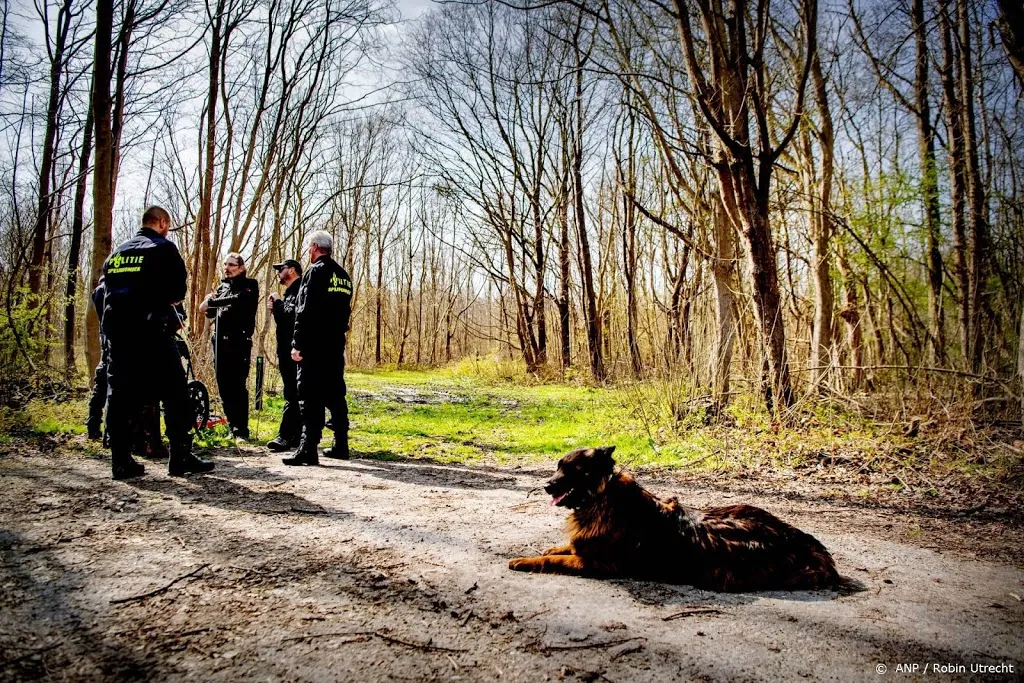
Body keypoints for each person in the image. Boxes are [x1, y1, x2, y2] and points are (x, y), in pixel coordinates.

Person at [101, 205, 214, 479]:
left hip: (118, 334)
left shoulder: (116, 254)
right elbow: (177, 292)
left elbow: (105, 293)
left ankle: (120, 461)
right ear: (162, 223)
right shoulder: (163, 249)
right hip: (152, 332)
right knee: (176, 394)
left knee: (120, 396)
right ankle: (180, 456)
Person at [283, 231, 352, 466]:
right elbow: (345, 314)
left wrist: (297, 344)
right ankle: (341, 444)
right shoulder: (343, 276)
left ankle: (308, 448)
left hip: (314, 346)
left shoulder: (315, 272)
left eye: (309, 248)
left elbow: (304, 311)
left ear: (314, 247)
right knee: (335, 394)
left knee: (309, 396)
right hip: (334, 346)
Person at [86, 279, 166, 459]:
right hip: (121, 349)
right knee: (125, 395)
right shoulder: (115, 292)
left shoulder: (101, 293)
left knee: (109, 393)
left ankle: (106, 435)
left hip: (110, 347)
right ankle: (139, 442)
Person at [200, 253, 258, 440]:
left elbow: (238, 299)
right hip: (220, 342)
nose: (227, 268)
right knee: (224, 386)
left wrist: (211, 302)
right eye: (225, 264)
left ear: (241, 267)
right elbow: (209, 314)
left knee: (237, 386)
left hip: (239, 342)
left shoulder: (250, 285)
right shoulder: (222, 286)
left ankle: (242, 430)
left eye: (232, 265)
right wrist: (209, 303)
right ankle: (232, 427)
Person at [267, 258, 304, 451]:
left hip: (295, 352)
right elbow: (284, 320)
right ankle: (297, 437)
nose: (278, 272)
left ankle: (285, 436)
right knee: (293, 393)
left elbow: (292, 319)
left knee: (293, 393)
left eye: (280, 269)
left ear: (291, 270)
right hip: (284, 351)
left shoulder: (300, 290)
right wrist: (276, 309)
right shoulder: (289, 292)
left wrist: (279, 303)